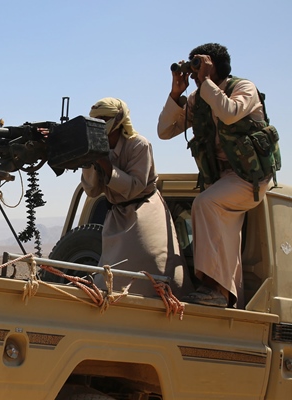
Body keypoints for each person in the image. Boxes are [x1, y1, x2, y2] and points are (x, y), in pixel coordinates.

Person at [157, 43, 273, 308]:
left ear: (213, 66)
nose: (194, 74)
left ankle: (212, 289)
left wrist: (207, 80)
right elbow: (165, 130)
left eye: (198, 67)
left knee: (205, 203)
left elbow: (229, 113)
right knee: (230, 243)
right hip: (223, 179)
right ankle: (230, 298)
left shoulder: (243, 89)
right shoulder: (200, 99)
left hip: (249, 177)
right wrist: (176, 94)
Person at [82, 97, 193, 298]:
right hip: (117, 216)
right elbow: (92, 190)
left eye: (103, 119)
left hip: (143, 212)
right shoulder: (100, 147)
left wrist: (106, 164)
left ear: (118, 120)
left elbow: (135, 186)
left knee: (151, 270)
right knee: (108, 280)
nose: (98, 125)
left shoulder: (139, 145)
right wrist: (88, 161)